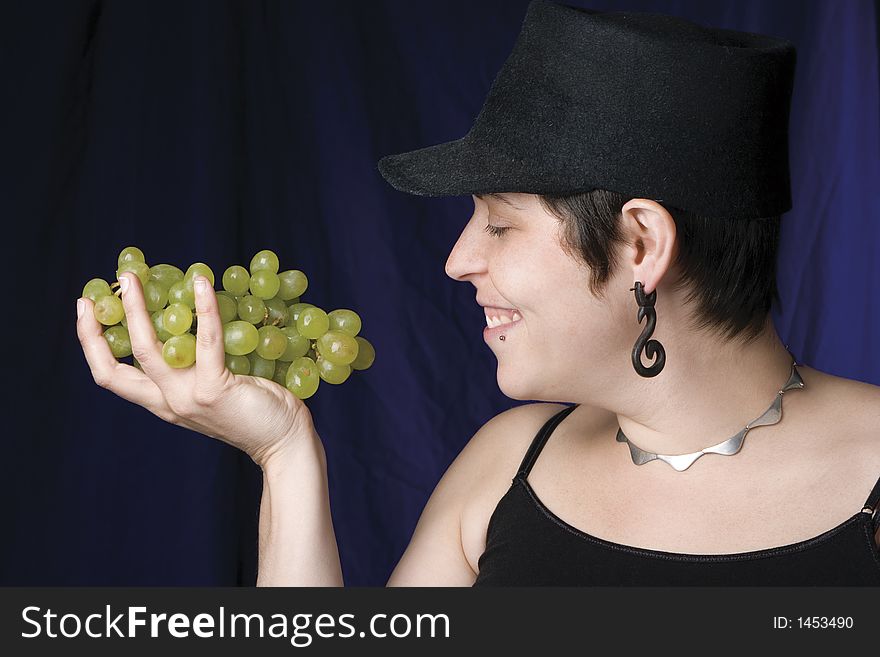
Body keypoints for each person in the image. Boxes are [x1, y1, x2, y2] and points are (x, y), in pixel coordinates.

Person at [75, 1, 880, 585]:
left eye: (499, 224)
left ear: (641, 243)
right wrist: (283, 452)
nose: (458, 260)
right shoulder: (504, 467)